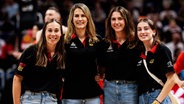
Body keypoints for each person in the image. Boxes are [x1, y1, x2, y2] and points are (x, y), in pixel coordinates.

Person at [12, 19, 65, 104]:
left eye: (56, 30)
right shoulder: (30, 51)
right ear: (44, 33)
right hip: (30, 99)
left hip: (51, 100)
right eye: (49, 30)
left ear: (61, 34)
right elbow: (17, 78)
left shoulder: (63, 55)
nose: (53, 34)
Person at [62, 3, 103, 104]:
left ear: (88, 18)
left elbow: (103, 62)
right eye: (76, 16)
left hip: (92, 95)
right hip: (71, 96)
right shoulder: (64, 40)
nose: (80, 19)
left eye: (83, 15)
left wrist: (101, 74)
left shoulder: (97, 40)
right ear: (71, 19)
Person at [136, 17, 184, 104]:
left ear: (154, 31)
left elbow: (171, 78)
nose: (142, 32)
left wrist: (157, 101)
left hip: (158, 97)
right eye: (139, 29)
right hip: (141, 98)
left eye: (146, 28)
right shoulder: (138, 52)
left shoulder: (162, 49)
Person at [99, 6, 140, 104]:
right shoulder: (105, 43)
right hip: (109, 89)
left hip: (130, 89)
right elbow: (100, 66)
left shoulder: (136, 41)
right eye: (113, 19)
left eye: (120, 18)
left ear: (126, 20)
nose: (116, 22)